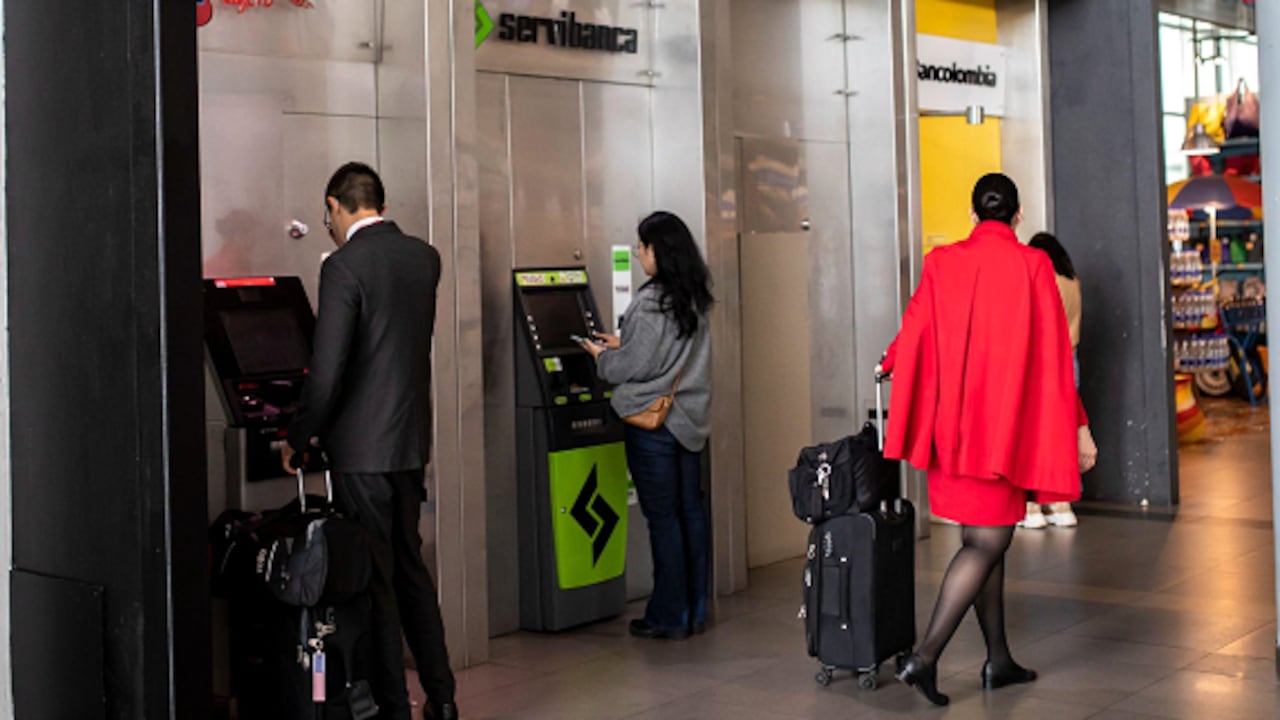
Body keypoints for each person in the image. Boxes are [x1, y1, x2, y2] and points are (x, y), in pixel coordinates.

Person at [879, 174, 1094, 706]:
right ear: (1018, 216)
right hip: (1003, 433)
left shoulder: (941, 262)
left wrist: (887, 364)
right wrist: (1079, 425)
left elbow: (913, 331)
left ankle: (998, 659)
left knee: (986, 542)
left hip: (952, 434)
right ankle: (924, 658)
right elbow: (1054, 355)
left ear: (973, 215)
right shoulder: (1033, 266)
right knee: (988, 543)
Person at [282, 162, 458, 720]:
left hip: (360, 451)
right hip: (408, 444)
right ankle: (443, 698)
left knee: (378, 584)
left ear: (335, 205)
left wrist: (299, 436)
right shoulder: (423, 258)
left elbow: (327, 370)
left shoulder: (343, 267)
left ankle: (391, 708)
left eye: (325, 214)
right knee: (411, 569)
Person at [579, 211, 713, 641]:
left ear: (659, 250)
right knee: (690, 514)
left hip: (654, 424)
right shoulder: (693, 295)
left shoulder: (654, 301)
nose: (638, 254)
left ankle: (668, 616)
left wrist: (603, 357)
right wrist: (628, 342)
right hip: (690, 422)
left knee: (663, 519)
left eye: (642, 247)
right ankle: (694, 609)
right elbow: (668, 351)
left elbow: (632, 367)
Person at [1020, 232, 1098, 529]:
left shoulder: (1043, 283)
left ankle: (1032, 506)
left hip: (1045, 363)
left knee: (1037, 434)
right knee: (1066, 432)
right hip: (1071, 361)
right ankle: (1062, 505)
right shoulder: (1073, 283)